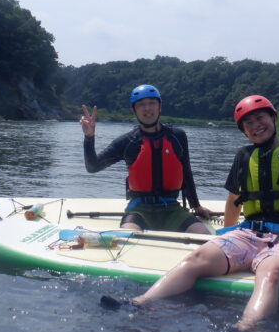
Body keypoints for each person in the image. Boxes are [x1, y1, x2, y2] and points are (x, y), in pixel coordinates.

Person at [105, 58, 279, 332]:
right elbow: (234, 200)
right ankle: (140, 303)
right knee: (195, 259)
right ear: (244, 131)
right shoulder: (243, 157)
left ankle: (247, 327)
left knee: (269, 274)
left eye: (260, 118)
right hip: (247, 236)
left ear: (274, 118)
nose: (256, 125)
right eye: (248, 123)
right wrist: (227, 235)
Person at [80, 84, 212, 234]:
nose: (147, 108)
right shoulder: (127, 142)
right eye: (141, 104)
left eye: (152, 103)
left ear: (160, 106)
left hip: (172, 209)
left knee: (204, 237)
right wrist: (89, 138)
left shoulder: (177, 136)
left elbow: (186, 173)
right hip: (139, 211)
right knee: (127, 238)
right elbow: (93, 167)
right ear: (133, 110)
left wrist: (196, 206)